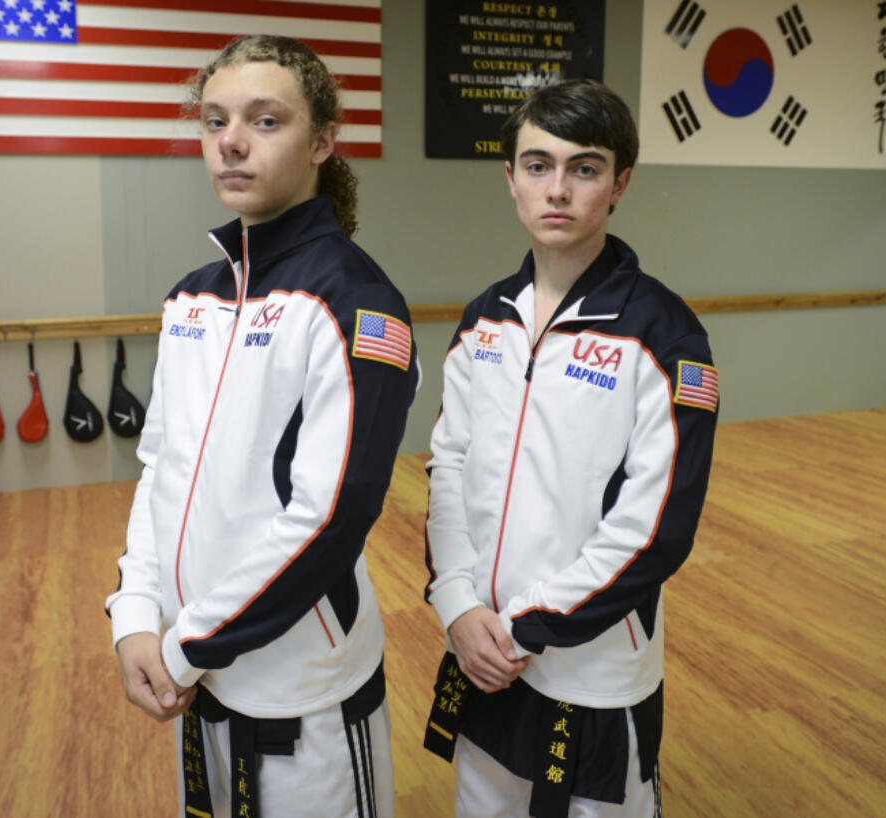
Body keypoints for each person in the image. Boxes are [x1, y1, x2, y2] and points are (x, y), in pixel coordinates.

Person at [106, 35, 417, 818]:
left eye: (264, 120)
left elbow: (329, 518)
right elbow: (159, 467)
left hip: (300, 692)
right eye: (214, 122)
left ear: (320, 142)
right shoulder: (191, 298)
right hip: (195, 677)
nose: (231, 142)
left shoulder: (356, 302)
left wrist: (185, 648)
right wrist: (137, 615)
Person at [422, 79, 718, 817]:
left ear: (619, 184)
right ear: (511, 179)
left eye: (584, 169)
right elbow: (450, 465)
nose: (558, 190)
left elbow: (654, 531)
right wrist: (458, 604)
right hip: (480, 654)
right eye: (537, 165)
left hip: (588, 672)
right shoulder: (484, 320)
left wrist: (526, 628)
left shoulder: (665, 336)